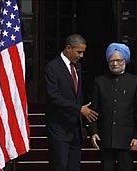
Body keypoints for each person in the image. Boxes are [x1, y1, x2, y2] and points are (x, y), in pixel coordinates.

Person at [44, 34, 98, 171]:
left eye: (83, 52)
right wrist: (78, 109)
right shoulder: (53, 67)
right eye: (79, 52)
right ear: (68, 48)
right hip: (59, 129)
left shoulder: (77, 67)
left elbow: (77, 95)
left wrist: (82, 123)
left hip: (75, 129)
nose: (81, 56)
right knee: (60, 166)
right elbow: (53, 96)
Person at [89, 43, 137, 171]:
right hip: (105, 137)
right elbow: (94, 109)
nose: (115, 64)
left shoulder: (135, 82)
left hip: (127, 139)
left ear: (125, 61)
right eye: (112, 60)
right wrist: (93, 132)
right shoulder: (100, 81)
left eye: (118, 60)